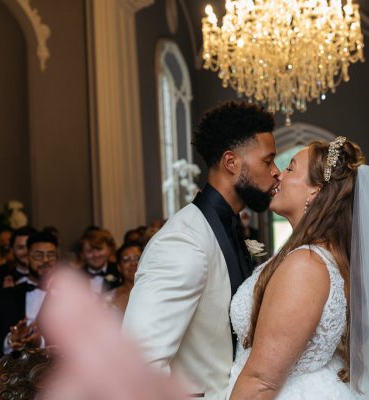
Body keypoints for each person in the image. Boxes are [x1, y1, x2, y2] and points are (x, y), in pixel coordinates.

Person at [228, 137, 369, 399]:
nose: (278, 173)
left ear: (315, 191)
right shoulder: (324, 255)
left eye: (290, 168)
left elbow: (262, 382)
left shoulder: (306, 265)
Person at [123, 101, 280, 399]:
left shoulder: (229, 227)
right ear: (231, 162)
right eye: (267, 161)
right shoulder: (183, 242)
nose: (276, 172)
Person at [0, 230, 58, 358]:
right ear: (27, 258)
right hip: (13, 373)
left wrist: (40, 342)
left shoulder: (71, 297)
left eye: (51, 255)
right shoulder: (5, 296)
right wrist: (11, 340)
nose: (46, 260)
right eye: (38, 255)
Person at [105, 242, 142, 316]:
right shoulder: (108, 298)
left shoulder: (156, 291)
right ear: (119, 267)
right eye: (126, 260)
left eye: (137, 258)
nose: (133, 263)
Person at [79, 229, 121, 294]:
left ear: (109, 250)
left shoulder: (119, 272)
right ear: (82, 254)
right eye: (89, 251)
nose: (96, 255)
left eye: (99, 249)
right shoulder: (76, 275)